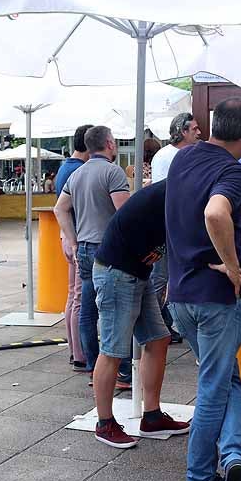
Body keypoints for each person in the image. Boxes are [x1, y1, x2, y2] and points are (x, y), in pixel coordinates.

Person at [166, 97, 241, 481]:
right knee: (212, 388)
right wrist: (235, 269)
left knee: (225, 382)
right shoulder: (232, 169)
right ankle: (200, 480)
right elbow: (216, 213)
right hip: (214, 297)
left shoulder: (182, 160)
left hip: (180, 294)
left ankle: (234, 459)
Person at [91, 180, 191, 448]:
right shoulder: (178, 193)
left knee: (158, 339)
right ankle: (104, 423)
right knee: (113, 350)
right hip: (118, 273)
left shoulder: (180, 190)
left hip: (136, 274)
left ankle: (152, 415)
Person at [54, 126, 130, 377]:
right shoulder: (113, 172)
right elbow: (125, 215)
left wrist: (73, 241)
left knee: (87, 309)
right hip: (107, 248)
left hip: (85, 248)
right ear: (109, 143)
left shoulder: (77, 174)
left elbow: (59, 209)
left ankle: (93, 365)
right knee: (116, 309)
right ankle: (122, 369)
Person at [150, 112, 201, 345]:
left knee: (165, 277)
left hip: (168, 225)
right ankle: (155, 323)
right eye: (194, 129)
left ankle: (163, 322)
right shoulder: (174, 157)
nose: (199, 132)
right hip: (169, 227)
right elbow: (173, 193)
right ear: (182, 131)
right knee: (161, 278)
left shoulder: (167, 154)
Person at [55, 125, 93, 371]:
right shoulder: (78, 171)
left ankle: (74, 350)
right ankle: (80, 354)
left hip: (67, 237)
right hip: (76, 237)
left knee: (73, 295)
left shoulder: (64, 168)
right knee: (79, 297)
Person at [151, 113, 201, 184]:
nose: (199, 132)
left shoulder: (195, 153)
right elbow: (160, 189)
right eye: (194, 129)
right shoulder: (163, 157)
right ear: (184, 132)